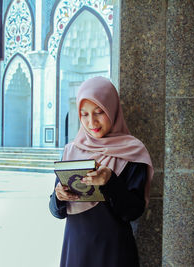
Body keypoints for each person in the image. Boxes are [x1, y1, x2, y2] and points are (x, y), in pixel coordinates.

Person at [49, 76, 154, 267]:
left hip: (115, 253)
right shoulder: (71, 150)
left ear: (112, 109)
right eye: (84, 114)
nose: (92, 122)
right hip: (76, 249)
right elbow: (57, 211)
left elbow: (133, 211)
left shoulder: (132, 152)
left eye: (99, 112)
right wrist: (59, 197)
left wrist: (110, 182)